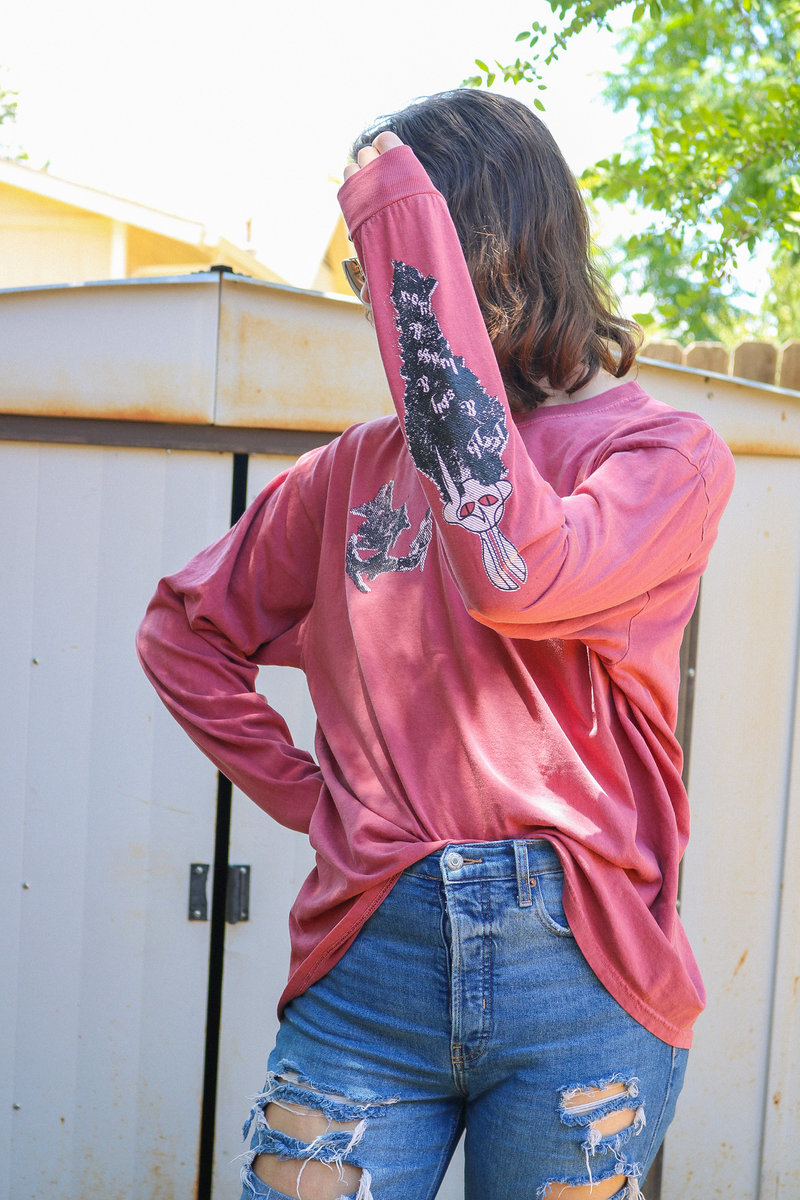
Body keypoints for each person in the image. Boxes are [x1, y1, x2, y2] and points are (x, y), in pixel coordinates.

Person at [136, 89, 735, 1200]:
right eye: (369, 269)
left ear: (477, 255)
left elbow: (518, 572)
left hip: (583, 972)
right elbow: (185, 632)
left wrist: (397, 208)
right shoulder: (349, 472)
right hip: (371, 970)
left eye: (386, 266)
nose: (371, 298)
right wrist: (309, 796)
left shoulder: (661, 460)